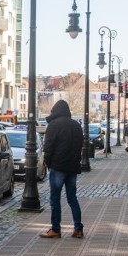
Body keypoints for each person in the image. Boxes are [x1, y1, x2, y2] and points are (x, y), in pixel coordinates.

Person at [41, 100, 84, 239]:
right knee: (72, 198)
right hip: (72, 167)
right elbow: (80, 147)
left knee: (55, 198)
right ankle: (78, 228)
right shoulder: (76, 126)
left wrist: (48, 163)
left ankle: (55, 229)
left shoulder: (54, 125)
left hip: (58, 166)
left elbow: (48, 148)